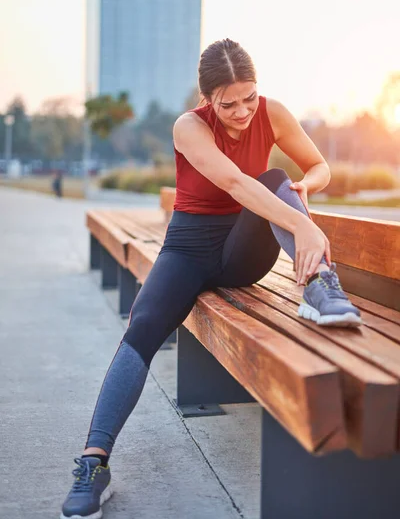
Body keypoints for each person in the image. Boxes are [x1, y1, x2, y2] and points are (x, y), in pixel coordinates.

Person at [60, 39, 361, 519]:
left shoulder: (272, 112)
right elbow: (236, 184)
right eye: (229, 103)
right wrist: (302, 221)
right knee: (141, 328)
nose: (243, 111)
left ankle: (321, 287)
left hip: (245, 250)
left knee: (277, 179)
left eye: (249, 97)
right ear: (207, 99)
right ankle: (94, 463)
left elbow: (318, 166)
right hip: (188, 250)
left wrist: (307, 188)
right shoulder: (189, 127)